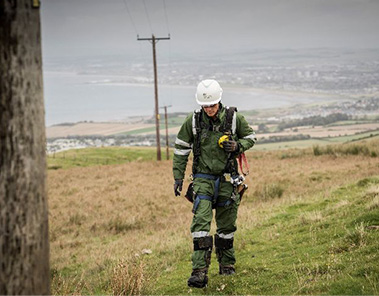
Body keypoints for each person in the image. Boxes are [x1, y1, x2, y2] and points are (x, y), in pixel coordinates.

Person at [172, 79, 257, 288]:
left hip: (228, 179)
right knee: (200, 225)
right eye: (205, 105)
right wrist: (178, 177)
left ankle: (227, 265)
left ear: (219, 101)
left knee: (226, 226)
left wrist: (238, 145)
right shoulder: (192, 122)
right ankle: (199, 272)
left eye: (212, 105)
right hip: (202, 180)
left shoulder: (234, 118)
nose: (209, 109)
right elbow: (181, 149)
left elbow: (251, 137)